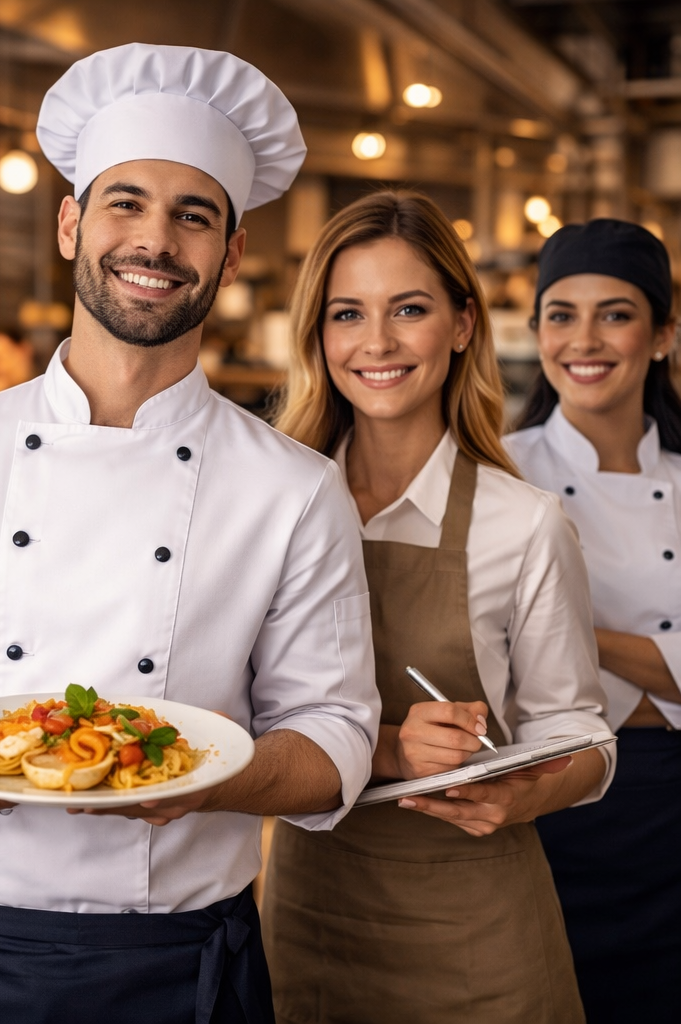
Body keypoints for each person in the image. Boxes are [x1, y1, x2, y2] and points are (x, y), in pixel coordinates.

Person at [0, 43, 379, 1023]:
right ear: (71, 223)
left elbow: (334, 740)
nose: (154, 241)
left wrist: (211, 780)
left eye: (193, 214)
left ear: (232, 253)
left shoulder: (293, 488)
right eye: (125, 203)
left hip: (184, 957)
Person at [261, 191, 614, 1024]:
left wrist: (521, 794)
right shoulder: (266, 505)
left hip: (479, 932)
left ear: (461, 325)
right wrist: (382, 748)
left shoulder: (523, 522)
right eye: (348, 313)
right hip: (309, 913)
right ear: (317, 335)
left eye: (409, 310)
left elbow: (585, 735)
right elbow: (221, 710)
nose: (376, 343)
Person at [505, 218, 681, 1023]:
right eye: (560, 314)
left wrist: (561, 626)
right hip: (554, 791)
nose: (585, 339)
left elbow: (514, 634)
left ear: (664, 333)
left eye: (615, 313)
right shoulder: (497, 469)